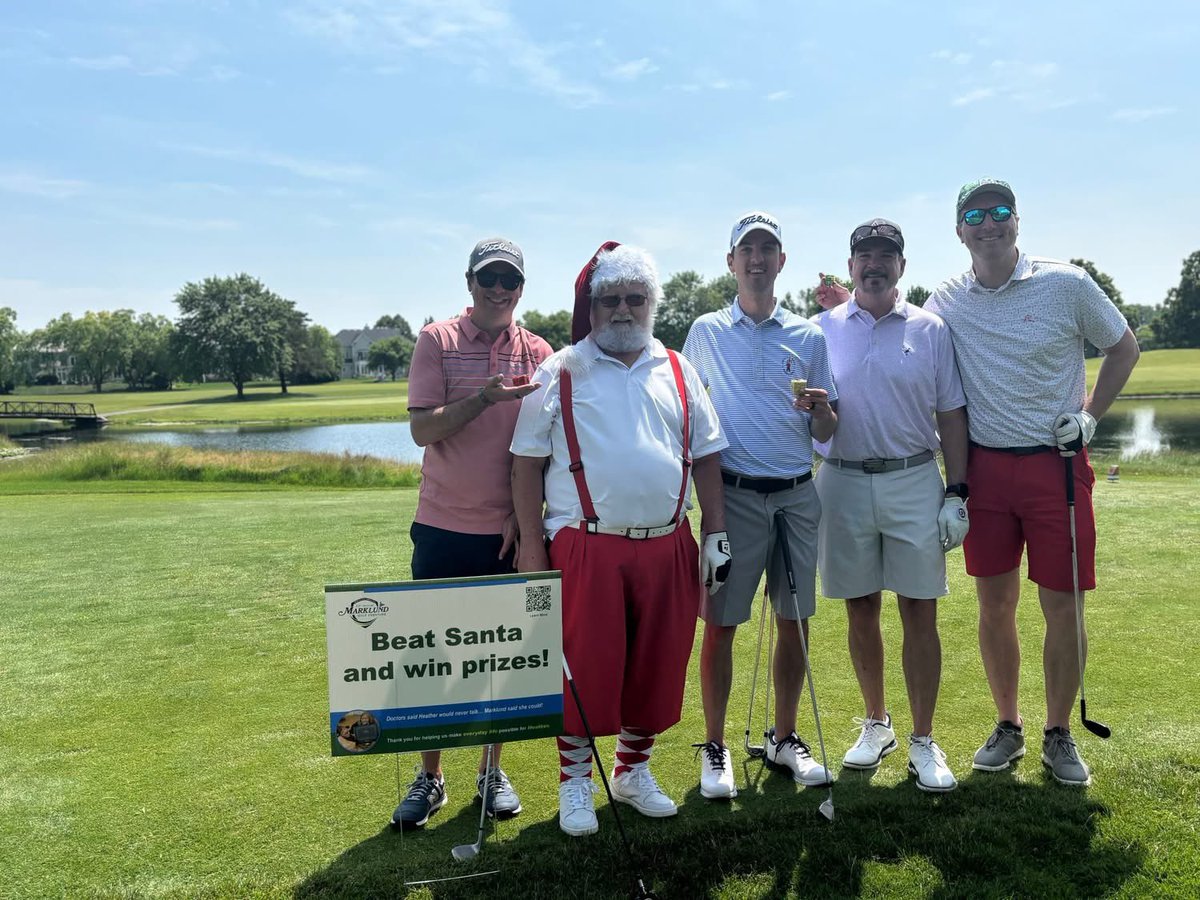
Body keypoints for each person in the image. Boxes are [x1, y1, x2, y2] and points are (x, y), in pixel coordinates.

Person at [511, 243, 731, 837]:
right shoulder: (560, 369)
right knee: (583, 668)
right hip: (587, 543)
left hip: (668, 542)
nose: (623, 310)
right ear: (594, 303)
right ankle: (575, 783)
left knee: (656, 666)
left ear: (652, 303)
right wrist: (533, 545)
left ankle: (633, 771)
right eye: (610, 299)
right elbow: (526, 462)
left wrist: (717, 534)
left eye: (636, 298)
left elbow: (707, 456)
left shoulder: (679, 368)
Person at [925, 179, 1140, 786]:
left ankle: (1059, 732)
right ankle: (1009, 725)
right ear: (959, 229)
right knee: (995, 605)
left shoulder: (1066, 283)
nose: (987, 223)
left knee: (1063, 606)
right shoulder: (945, 300)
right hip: (986, 470)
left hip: (1057, 464)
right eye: (975, 213)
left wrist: (1091, 415)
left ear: (1016, 221)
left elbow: (1124, 348)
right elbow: (908, 341)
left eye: (998, 212)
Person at [392, 237, 553, 829]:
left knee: (500, 659)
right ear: (470, 282)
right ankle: (430, 777)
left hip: (508, 531)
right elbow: (422, 431)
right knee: (435, 658)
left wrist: (523, 510)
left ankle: (492, 770)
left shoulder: (538, 351)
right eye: (489, 278)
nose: (499, 290)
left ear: (521, 289)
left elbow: (545, 449)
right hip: (442, 524)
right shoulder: (437, 340)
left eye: (509, 280)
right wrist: (483, 399)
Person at [682, 212, 838, 800]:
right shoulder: (706, 330)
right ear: (731, 262)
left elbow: (828, 430)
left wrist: (822, 410)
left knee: (795, 622)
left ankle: (784, 737)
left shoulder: (809, 337)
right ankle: (716, 746)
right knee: (720, 625)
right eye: (746, 249)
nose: (756, 258)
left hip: (798, 493)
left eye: (767, 248)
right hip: (736, 495)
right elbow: (690, 419)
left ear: (781, 261)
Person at [812, 218, 969, 792]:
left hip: (913, 478)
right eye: (865, 256)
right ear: (850, 265)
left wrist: (957, 490)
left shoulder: (931, 329)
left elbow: (951, 414)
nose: (874, 264)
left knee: (919, 609)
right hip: (843, 480)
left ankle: (923, 738)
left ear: (901, 265)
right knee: (860, 607)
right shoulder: (820, 329)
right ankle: (877, 722)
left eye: (886, 255)